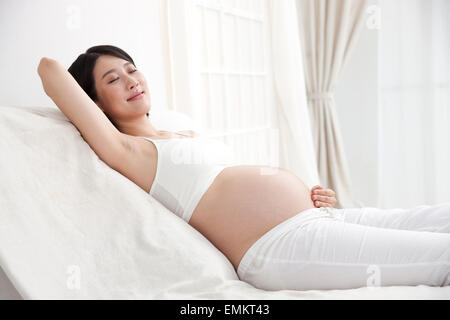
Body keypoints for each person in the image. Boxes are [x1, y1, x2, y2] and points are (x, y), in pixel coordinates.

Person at [37, 45, 450, 291]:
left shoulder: (181, 133)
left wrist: (305, 198)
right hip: (279, 248)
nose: (131, 80)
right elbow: (49, 69)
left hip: (317, 218)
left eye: (131, 69)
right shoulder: (125, 149)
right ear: (93, 102)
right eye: (112, 79)